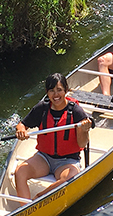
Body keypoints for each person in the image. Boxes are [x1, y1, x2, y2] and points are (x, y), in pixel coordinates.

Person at [14, 73, 92, 203]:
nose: (56, 95)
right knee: (20, 171)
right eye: (51, 91)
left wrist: (84, 130)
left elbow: (82, 143)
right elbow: (22, 124)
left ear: (66, 90)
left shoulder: (76, 112)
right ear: (47, 92)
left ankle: (39, 198)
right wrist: (21, 130)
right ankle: (24, 208)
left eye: (59, 90)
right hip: (44, 158)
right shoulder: (42, 108)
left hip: (67, 161)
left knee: (70, 177)